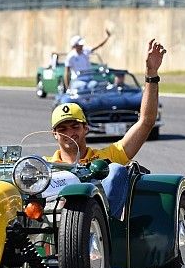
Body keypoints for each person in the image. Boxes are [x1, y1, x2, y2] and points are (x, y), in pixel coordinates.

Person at [50, 39, 166, 217]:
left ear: (85, 129)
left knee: (116, 170)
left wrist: (151, 74)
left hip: (100, 233)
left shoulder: (107, 156)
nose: (70, 133)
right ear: (54, 134)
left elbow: (146, 122)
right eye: (62, 129)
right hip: (58, 230)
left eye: (75, 126)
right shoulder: (46, 167)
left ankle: (102, 223)